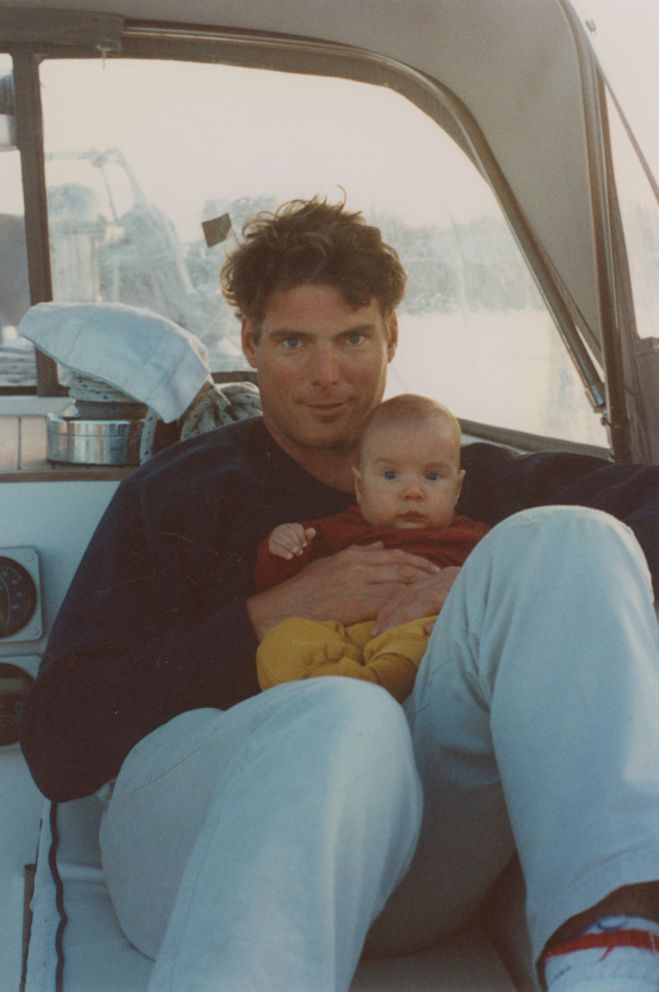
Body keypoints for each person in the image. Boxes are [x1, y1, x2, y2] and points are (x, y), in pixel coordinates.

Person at [20, 197, 659, 992]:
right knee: (341, 709)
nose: (328, 376)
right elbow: (62, 743)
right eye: (294, 342)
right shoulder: (180, 494)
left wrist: (474, 581)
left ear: (390, 336)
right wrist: (269, 616)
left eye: (352, 339)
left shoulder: (464, 478)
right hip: (197, 860)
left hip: (411, 870)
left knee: (575, 535)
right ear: (249, 343)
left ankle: (609, 952)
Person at [255, 393, 489, 701]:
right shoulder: (336, 531)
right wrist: (282, 547)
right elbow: (277, 582)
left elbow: (505, 580)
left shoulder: (473, 539)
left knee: (429, 637)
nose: (413, 492)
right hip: (346, 643)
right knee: (282, 641)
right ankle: (340, 692)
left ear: (457, 488)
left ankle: (372, 692)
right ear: (360, 485)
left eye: (432, 476)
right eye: (391, 475)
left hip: (417, 637)